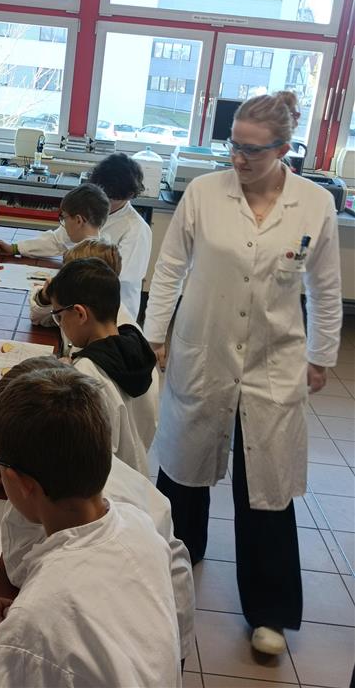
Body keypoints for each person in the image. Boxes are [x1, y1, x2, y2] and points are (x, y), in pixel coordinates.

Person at [143, 91, 342, 656]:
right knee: (183, 470)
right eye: (233, 145)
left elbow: (325, 288)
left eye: (253, 150)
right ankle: (174, 561)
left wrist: (322, 355)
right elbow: (171, 267)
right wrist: (154, 334)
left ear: (283, 149)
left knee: (266, 486)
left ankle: (269, 611)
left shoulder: (313, 205)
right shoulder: (205, 193)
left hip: (273, 360)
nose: (238, 159)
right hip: (203, 349)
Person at [0, 357, 195, 661]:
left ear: (20, 481)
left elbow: (47, 658)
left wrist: (7, 642)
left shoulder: (44, 612)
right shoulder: (87, 494)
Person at [0, 153, 152, 319]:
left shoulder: (136, 229)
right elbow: (58, 239)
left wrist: (65, 284)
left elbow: (115, 277)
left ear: (128, 195)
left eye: (111, 198)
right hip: (82, 305)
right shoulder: (93, 208)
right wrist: (15, 248)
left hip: (115, 313)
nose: (105, 201)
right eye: (102, 193)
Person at [49, 257, 158, 475]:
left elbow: (76, 453)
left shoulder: (86, 377)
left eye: (59, 317)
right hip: (135, 476)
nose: (60, 324)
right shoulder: (139, 350)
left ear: (80, 313)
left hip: (104, 484)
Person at [29, 239, 135, 354]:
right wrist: (45, 297)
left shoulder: (118, 330)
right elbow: (39, 319)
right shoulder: (80, 302)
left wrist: (72, 363)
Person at [0, 181, 109, 258]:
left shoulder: (86, 260)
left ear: (78, 220)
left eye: (64, 218)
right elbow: (54, 241)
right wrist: (14, 248)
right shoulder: (86, 236)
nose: (63, 224)